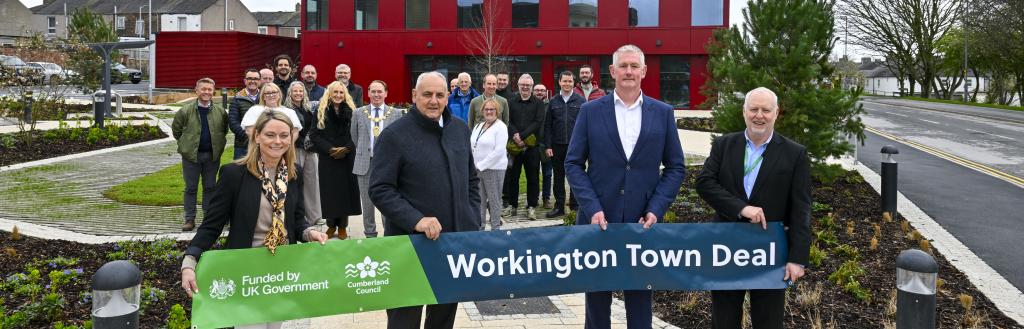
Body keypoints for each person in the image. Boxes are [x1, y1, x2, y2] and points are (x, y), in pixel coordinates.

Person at [565, 45, 686, 329]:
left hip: (642, 221)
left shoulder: (663, 113)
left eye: (634, 66)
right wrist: (591, 207)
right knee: (596, 299)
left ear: (644, 71)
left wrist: (656, 209)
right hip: (598, 221)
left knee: (640, 298)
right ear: (612, 72)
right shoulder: (590, 112)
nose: (629, 71)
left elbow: (675, 167)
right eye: (623, 66)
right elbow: (573, 164)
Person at [181, 110, 329, 329]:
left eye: (284, 135)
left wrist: (309, 233)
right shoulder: (234, 174)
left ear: (291, 137)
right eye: (270, 135)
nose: (277, 141)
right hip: (247, 270)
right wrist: (190, 262)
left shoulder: (292, 173)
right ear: (257, 136)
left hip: (282, 269)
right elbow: (212, 225)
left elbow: (296, 221)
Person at [369, 71, 481, 329]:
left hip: (451, 245)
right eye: (427, 94)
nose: (434, 101)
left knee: (442, 317)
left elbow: (471, 181)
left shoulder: (460, 131)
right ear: (414, 96)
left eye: (440, 95)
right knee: (404, 318)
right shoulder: (394, 135)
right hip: (409, 246)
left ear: (447, 97)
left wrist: (471, 218)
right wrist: (416, 220)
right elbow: (380, 189)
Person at [695, 87, 810, 329]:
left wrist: (797, 259)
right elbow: (704, 183)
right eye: (754, 109)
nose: (759, 115)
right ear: (744, 112)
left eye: (766, 110)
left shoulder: (794, 154)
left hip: (769, 249)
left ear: (776, 113)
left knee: (768, 321)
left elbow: (801, 209)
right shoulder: (724, 144)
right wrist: (741, 209)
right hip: (726, 247)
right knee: (724, 319)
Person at [173, 78, 229, 232]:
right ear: (196, 91)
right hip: (191, 157)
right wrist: (187, 145)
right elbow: (176, 131)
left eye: (209, 89)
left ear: (213, 91)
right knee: (190, 188)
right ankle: (189, 219)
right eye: (203, 89)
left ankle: (208, 218)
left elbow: (224, 130)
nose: (206, 92)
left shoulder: (220, 112)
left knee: (210, 187)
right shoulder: (185, 111)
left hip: (212, 156)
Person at [351, 80, 404, 238]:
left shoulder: (395, 113)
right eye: (373, 91)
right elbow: (354, 136)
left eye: (379, 91)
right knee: (367, 203)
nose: (376, 94)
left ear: (386, 93)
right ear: (368, 93)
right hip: (364, 162)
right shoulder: (358, 113)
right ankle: (370, 234)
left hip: (387, 164)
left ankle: (388, 233)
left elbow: (399, 138)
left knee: (387, 200)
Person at [312, 81, 363, 240]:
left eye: (341, 93)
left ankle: (342, 226)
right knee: (330, 192)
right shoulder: (321, 110)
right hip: (328, 157)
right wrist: (330, 149)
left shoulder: (352, 111)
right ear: (329, 93)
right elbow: (314, 134)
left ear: (345, 94)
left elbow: (357, 133)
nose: (338, 95)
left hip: (347, 157)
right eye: (335, 92)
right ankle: (331, 225)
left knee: (345, 192)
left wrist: (347, 148)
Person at [544, 71, 586, 218]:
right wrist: (548, 146)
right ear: (559, 82)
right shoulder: (553, 102)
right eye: (565, 81)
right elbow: (548, 125)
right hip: (557, 146)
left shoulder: (581, 102)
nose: (567, 84)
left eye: (570, 81)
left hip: (576, 146)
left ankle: (575, 206)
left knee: (576, 176)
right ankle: (559, 206)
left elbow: (586, 126)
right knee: (558, 177)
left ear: (574, 83)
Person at [503, 74, 545, 220]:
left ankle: (532, 206)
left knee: (533, 178)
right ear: (518, 86)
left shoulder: (538, 103)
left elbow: (538, 122)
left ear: (532, 87)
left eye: (528, 85)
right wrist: (515, 134)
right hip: (514, 147)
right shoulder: (511, 102)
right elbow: (507, 120)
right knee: (513, 178)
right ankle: (513, 205)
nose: (525, 87)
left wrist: (522, 136)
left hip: (532, 147)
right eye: (523, 85)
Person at [284, 81, 323, 226]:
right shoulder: (286, 109)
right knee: (296, 183)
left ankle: (315, 216)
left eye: (301, 91)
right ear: (290, 93)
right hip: (295, 149)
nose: (298, 93)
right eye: (295, 91)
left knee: (313, 183)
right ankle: (297, 217)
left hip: (311, 150)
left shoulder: (308, 108)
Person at [471, 99, 509, 230]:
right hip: (477, 170)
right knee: (479, 200)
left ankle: (495, 229)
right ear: (482, 111)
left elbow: (499, 151)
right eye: (486, 109)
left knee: (494, 200)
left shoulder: (501, 127)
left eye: (492, 109)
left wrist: (481, 165)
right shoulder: (478, 126)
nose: (489, 112)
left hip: (494, 169)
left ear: (497, 111)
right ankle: (479, 227)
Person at [229, 68, 261, 159]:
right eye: (249, 78)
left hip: (262, 144)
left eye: (255, 79)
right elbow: (233, 122)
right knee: (241, 172)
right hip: (242, 145)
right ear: (245, 81)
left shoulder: (265, 97)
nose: (252, 81)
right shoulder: (237, 98)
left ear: (259, 81)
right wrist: (249, 136)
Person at [533, 83, 553, 208]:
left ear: (546, 92)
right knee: (533, 174)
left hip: (546, 144)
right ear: (533, 91)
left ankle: (546, 199)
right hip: (533, 145)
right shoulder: (530, 104)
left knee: (547, 173)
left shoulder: (550, 106)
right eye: (537, 90)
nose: (539, 92)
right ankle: (533, 199)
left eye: (542, 90)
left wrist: (549, 144)